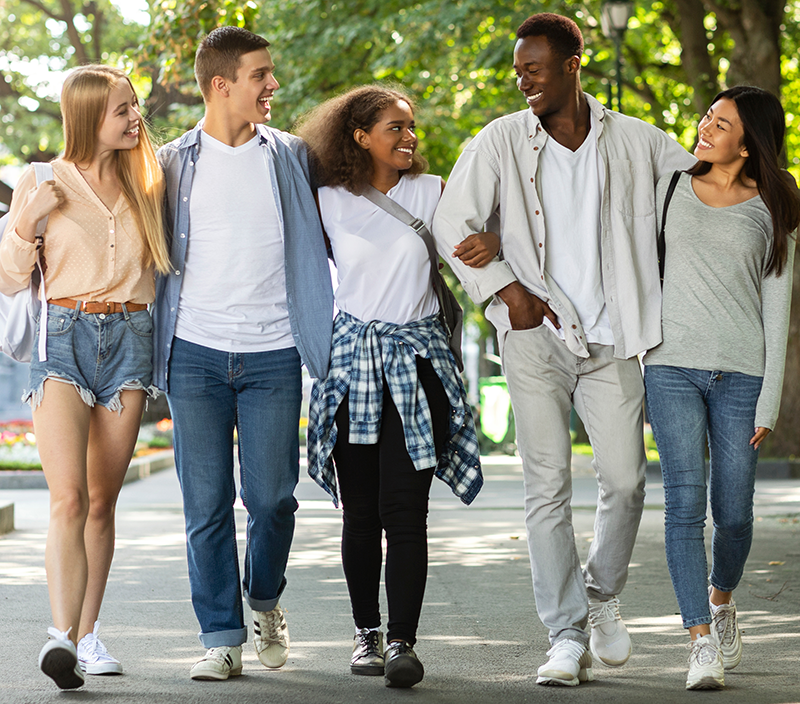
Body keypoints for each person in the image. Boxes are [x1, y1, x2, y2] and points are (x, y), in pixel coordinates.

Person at [432, 13, 696, 686]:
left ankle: (602, 596)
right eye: (518, 69)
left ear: (574, 64)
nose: (523, 80)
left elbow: (703, 189)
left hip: (615, 340)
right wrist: (504, 288)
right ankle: (564, 637)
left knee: (627, 480)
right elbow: (449, 222)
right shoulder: (499, 143)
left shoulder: (637, 142)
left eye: (535, 68)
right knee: (545, 487)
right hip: (534, 339)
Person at [153, 27, 333, 681]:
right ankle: (221, 637)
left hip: (274, 354)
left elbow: (342, 227)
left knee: (274, 499)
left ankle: (264, 599)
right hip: (194, 355)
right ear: (221, 85)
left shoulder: (289, 156)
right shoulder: (171, 162)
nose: (273, 86)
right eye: (261, 75)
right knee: (204, 506)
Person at [299, 85, 484, 689]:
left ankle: (403, 642)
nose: (409, 138)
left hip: (418, 364)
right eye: (394, 128)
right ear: (359, 136)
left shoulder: (434, 193)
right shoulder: (326, 200)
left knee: (406, 514)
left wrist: (497, 242)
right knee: (360, 514)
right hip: (352, 368)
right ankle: (366, 636)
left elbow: (477, 245)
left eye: (411, 127)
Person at [0, 65, 170, 688]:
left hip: (130, 341)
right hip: (62, 340)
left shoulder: (149, 182)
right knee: (67, 498)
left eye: (135, 107)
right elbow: (9, 278)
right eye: (122, 109)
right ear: (87, 114)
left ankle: (90, 635)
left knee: (102, 502)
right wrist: (25, 223)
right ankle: (60, 636)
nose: (135, 119)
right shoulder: (41, 180)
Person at [643, 86, 799, 690]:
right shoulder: (670, 187)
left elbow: (777, 303)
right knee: (683, 505)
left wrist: (772, 396)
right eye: (708, 115)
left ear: (749, 137)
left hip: (743, 374)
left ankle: (721, 601)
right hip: (671, 366)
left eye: (722, 121)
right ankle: (698, 642)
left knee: (733, 512)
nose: (706, 125)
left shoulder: (778, 202)